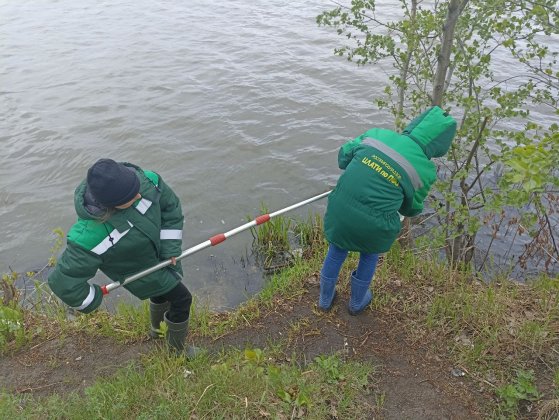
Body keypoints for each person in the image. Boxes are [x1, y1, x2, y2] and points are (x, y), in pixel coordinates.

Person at [48, 158, 198, 356]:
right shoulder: (91, 235)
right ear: (112, 205)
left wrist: (170, 247)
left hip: (159, 257)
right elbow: (63, 282)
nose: (138, 194)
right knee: (182, 299)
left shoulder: (148, 182)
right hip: (140, 271)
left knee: (161, 293)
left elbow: (170, 207)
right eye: (131, 195)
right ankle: (176, 352)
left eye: (135, 187)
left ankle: (157, 331)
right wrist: (92, 297)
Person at [319, 106, 457, 315]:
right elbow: (411, 208)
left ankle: (324, 299)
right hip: (376, 224)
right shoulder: (426, 170)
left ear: (415, 124)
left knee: (337, 249)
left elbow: (343, 157)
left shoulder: (377, 134)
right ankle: (357, 303)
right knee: (369, 254)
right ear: (440, 145)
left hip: (340, 207)